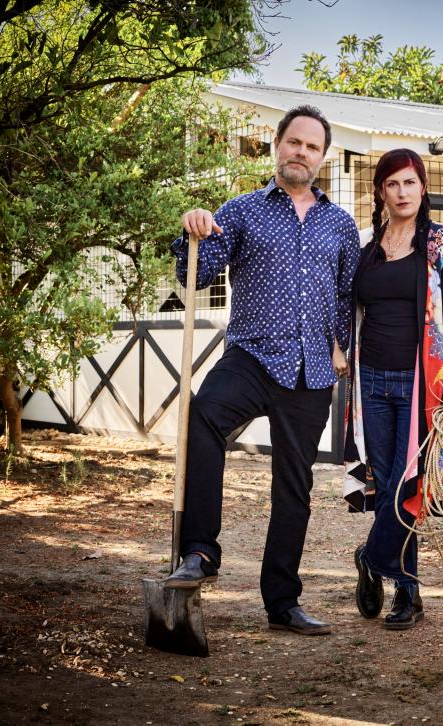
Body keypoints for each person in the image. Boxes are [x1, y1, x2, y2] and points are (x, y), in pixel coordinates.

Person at [164, 105, 360, 637]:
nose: (301, 152)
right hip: (251, 355)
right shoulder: (243, 210)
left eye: (312, 146)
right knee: (203, 415)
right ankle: (200, 553)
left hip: (313, 368)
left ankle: (283, 602)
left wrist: (344, 347)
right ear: (276, 146)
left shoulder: (341, 225)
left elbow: (347, 294)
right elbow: (195, 277)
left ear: (322, 157)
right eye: (293, 142)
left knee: (293, 487)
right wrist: (193, 232)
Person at [342, 148, 443, 630]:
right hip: (371, 382)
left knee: (408, 483)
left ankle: (373, 558)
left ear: (423, 188)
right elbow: (347, 304)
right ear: (381, 191)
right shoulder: (366, 245)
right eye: (392, 184)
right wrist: (338, 347)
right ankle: (407, 591)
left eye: (410, 183)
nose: (402, 192)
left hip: (422, 384)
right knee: (387, 484)